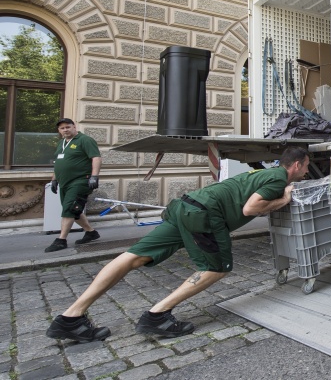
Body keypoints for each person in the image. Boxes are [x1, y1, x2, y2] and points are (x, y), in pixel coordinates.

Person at [46, 146, 311, 343]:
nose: (307, 171)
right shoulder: (278, 179)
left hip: (185, 206)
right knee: (216, 269)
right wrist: (283, 200)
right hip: (204, 215)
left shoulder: (260, 173)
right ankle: (158, 316)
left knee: (133, 256)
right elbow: (251, 207)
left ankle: (71, 317)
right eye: (307, 166)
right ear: (296, 165)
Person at [45, 118, 103, 253]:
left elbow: (96, 158)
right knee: (74, 210)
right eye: (62, 128)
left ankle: (61, 240)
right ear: (59, 131)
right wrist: (54, 179)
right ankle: (91, 232)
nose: (65, 130)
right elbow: (58, 163)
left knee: (69, 208)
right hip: (65, 182)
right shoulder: (61, 143)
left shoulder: (85, 140)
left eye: (67, 127)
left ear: (74, 127)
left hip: (80, 181)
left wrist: (94, 176)